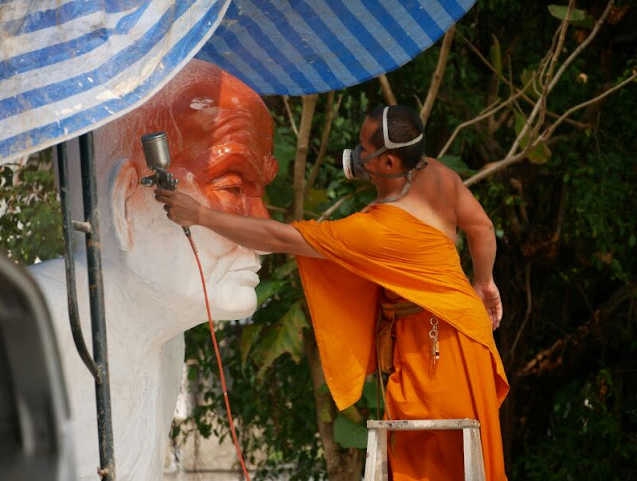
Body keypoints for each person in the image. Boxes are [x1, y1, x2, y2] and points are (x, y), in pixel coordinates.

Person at [156, 105, 509, 480]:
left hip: (439, 348)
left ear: (389, 162)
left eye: (363, 148)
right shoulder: (439, 175)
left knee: (433, 465)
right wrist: (483, 283)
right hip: (466, 333)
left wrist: (201, 215)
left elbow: (279, 238)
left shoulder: (374, 230)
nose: (356, 155)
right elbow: (482, 229)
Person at [29, 59, 277, 481]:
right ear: (127, 200)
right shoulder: (28, 325)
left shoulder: (165, 341)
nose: (261, 234)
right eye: (233, 188)